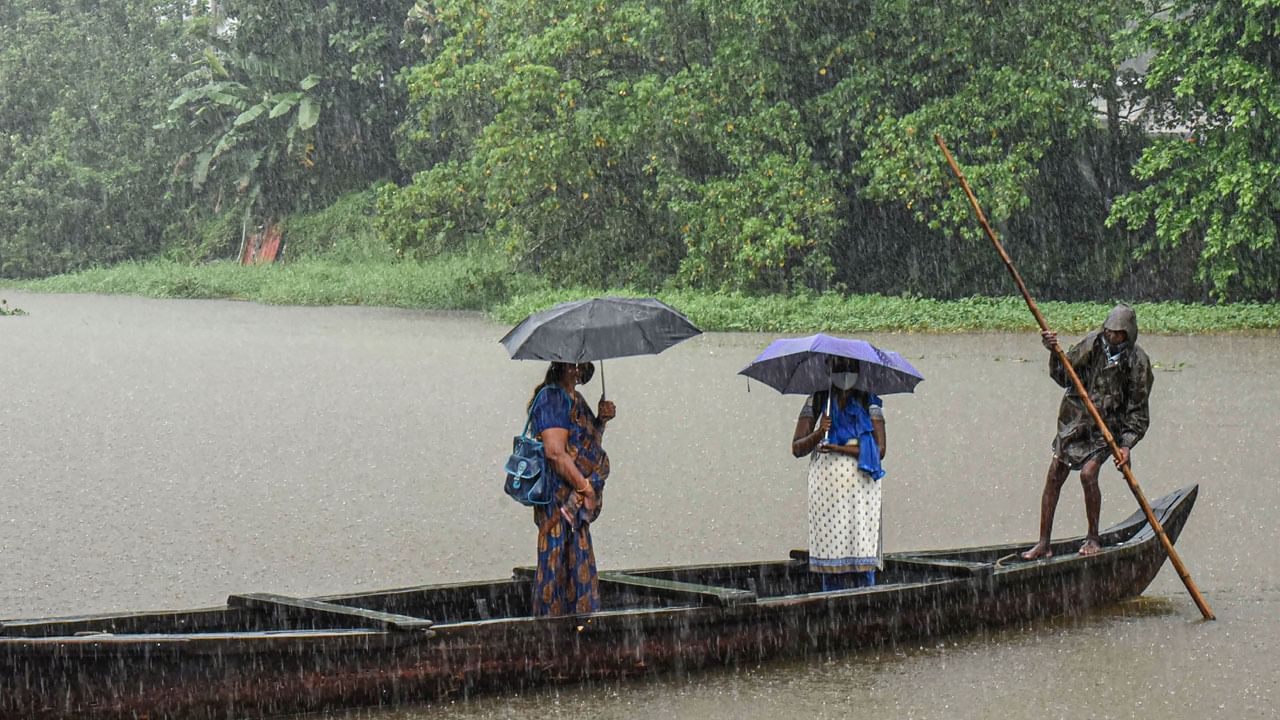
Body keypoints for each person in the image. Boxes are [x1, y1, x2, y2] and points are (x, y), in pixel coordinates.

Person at [1021, 304, 1154, 560]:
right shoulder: (1092, 345)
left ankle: (1093, 537)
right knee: (1054, 474)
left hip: (1106, 429)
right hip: (1075, 420)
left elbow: (1138, 412)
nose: (1112, 337)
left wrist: (1126, 444)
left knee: (1088, 474)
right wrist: (1053, 352)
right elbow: (1063, 376)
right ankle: (1043, 543)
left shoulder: (1138, 362)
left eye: (1118, 333)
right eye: (1109, 331)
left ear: (1128, 334)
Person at [527, 361, 617, 616]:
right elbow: (555, 453)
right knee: (556, 561)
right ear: (561, 365)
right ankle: (550, 629)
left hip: (574, 497)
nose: (578, 370)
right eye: (573, 365)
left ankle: (577, 625)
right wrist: (586, 488)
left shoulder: (575, 398)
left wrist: (601, 420)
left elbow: (588, 444)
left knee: (576, 558)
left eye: (582, 365)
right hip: (558, 498)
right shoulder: (552, 397)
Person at [791, 357, 887, 590]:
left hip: (861, 489)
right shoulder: (818, 400)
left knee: (861, 545)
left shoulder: (868, 401)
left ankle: (867, 598)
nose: (844, 375)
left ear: (858, 371)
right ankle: (830, 600)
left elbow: (880, 449)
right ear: (829, 371)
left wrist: (838, 447)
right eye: (839, 369)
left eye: (850, 369)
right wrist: (819, 432)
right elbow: (797, 448)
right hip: (826, 491)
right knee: (829, 550)